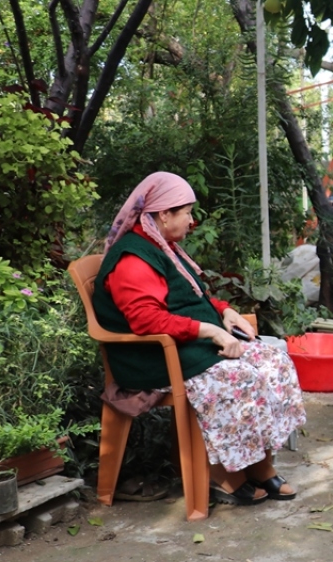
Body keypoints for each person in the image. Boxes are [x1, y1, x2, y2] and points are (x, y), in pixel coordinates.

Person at [93, 172, 305, 506]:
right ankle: (224, 473)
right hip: (152, 356)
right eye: (187, 212)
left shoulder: (161, 246)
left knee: (273, 361)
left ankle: (257, 463)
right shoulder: (133, 259)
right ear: (164, 214)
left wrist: (225, 312)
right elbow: (145, 319)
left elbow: (191, 297)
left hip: (182, 344)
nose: (192, 221)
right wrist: (209, 331)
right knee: (239, 375)